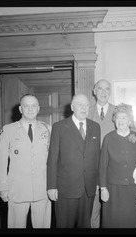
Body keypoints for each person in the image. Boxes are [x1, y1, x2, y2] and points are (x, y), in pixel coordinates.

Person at [0, 94, 52, 228]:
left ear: (38, 108)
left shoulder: (48, 129)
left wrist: (53, 186)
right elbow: (1, 162)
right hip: (17, 190)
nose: (30, 109)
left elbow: (53, 160)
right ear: (21, 109)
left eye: (33, 106)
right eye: (26, 106)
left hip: (42, 189)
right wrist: (2, 187)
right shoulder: (8, 131)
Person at [88, 79, 136, 228]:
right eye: (100, 89)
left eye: (107, 89)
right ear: (94, 91)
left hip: (114, 172)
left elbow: (134, 134)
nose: (104, 92)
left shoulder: (119, 112)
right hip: (91, 170)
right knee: (92, 212)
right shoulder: (86, 110)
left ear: (110, 92)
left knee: (114, 214)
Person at [47, 94, 101, 228]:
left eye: (87, 105)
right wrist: (51, 186)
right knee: (64, 225)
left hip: (88, 188)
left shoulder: (95, 127)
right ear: (72, 107)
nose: (84, 108)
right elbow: (52, 158)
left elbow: (97, 158)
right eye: (80, 105)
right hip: (65, 188)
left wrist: (98, 182)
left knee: (85, 225)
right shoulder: (59, 127)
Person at [99, 103, 136, 228]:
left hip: (132, 189)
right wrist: (103, 189)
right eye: (118, 117)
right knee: (113, 223)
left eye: (124, 117)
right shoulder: (108, 138)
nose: (120, 121)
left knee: (131, 222)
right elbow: (102, 165)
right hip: (113, 189)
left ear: (130, 120)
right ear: (114, 120)